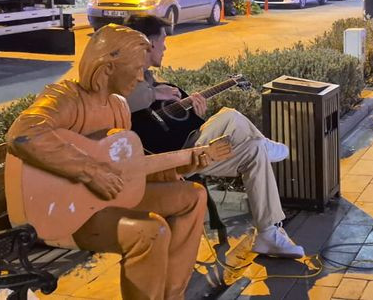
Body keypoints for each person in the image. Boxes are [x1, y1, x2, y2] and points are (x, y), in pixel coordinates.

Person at [7, 24, 212, 300]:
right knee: (151, 231)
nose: (142, 77)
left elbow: (129, 168)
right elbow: (22, 134)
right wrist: (89, 170)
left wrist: (184, 165)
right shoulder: (65, 98)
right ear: (108, 67)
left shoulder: (118, 106)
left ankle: (172, 295)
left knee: (194, 195)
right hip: (70, 214)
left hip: (110, 200)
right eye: (137, 68)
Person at [123, 15, 305, 258]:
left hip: (196, 152)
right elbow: (123, 103)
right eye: (163, 40)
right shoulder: (125, 78)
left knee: (254, 152)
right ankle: (267, 143)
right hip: (171, 161)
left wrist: (196, 115)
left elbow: (167, 125)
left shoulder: (147, 78)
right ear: (147, 43)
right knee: (231, 116)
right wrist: (155, 93)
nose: (166, 46)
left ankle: (268, 233)